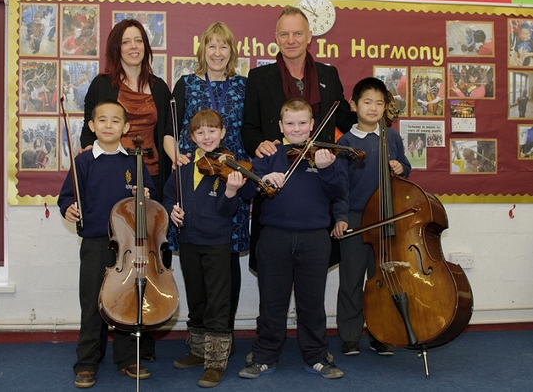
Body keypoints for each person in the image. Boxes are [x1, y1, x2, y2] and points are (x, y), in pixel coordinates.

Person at [80, 18, 173, 361]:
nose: (133, 47)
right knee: (108, 268)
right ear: (116, 49)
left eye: (139, 41)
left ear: (147, 47)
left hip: (150, 187)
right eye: (126, 42)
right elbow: (89, 137)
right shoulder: (103, 84)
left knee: (145, 270)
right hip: (113, 184)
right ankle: (92, 354)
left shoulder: (159, 87)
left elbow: (165, 133)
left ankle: (137, 348)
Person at [239, 98, 347, 380]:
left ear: (312, 125)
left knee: (311, 304)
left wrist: (326, 169)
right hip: (274, 237)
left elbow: (339, 190)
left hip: (314, 239)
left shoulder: (323, 155)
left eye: (302, 123)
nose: (296, 129)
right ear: (280, 125)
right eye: (290, 123)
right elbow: (246, 194)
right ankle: (264, 356)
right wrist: (263, 181)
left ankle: (317, 356)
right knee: (271, 303)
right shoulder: (268, 154)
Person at [242, 5, 357, 270]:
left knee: (313, 276)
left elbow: (343, 121)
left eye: (297, 34)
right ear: (275, 37)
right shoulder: (259, 77)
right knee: (273, 280)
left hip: (318, 183)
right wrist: (258, 144)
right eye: (284, 34)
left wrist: (368, 112)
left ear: (309, 37)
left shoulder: (329, 74)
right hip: (276, 183)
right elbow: (249, 127)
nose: (290, 40)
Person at [58, 100, 155, 389]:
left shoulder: (134, 161)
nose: (108, 125)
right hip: (95, 243)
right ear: (92, 126)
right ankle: (87, 362)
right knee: (91, 303)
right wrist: (69, 208)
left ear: (125, 127)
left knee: (125, 302)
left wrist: (144, 195)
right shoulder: (83, 162)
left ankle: (126, 358)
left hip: (128, 246)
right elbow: (66, 197)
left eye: (115, 121)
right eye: (102, 120)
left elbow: (149, 203)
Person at [164, 21, 249, 350]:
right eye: (211, 45)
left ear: (231, 51)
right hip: (194, 174)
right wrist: (177, 159)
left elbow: (251, 129)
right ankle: (200, 339)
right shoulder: (185, 84)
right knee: (196, 262)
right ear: (202, 50)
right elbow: (170, 131)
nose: (217, 52)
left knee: (227, 257)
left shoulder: (243, 85)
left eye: (223, 46)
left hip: (231, 177)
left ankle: (221, 336)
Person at [163, 109, 248, 388]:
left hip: (216, 243)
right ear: (191, 137)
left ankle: (215, 361)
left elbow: (226, 211)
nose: (207, 136)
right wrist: (170, 211)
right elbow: (168, 196)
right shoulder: (184, 165)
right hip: (188, 241)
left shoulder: (229, 166)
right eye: (200, 132)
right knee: (197, 296)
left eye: (212, 130)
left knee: (218, 300)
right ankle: (198, 350)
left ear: (223, 133)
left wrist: (231, 192)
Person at [331, 77, 411, 357]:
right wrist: (340, 217)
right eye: (367, 102)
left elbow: (407, 169)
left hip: (387, 219)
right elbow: (340, 188)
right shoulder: (346, 143)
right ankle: (350, 336)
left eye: (380, 103)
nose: (374, 108)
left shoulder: (393, 137)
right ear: (353, 105)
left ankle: (382, 333)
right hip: (354, 219)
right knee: (351, 281)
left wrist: (401, 167)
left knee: (383, 281)